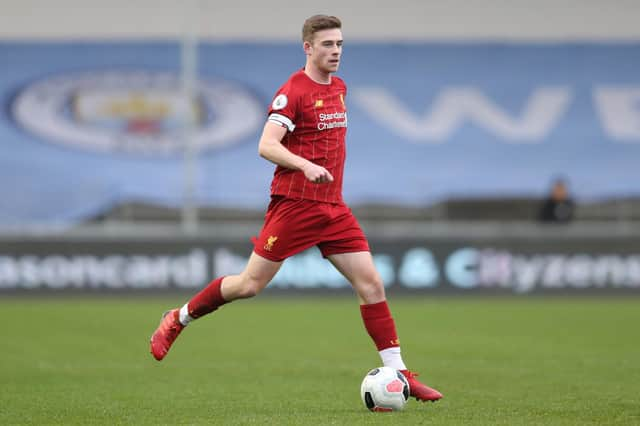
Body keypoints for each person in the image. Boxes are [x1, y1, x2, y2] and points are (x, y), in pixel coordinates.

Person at [150, 14, 443, 403]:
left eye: (339, 44)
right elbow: (266, 144)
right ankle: (178, 318)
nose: (335, 51)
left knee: (371, 283)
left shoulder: (339, 87)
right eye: (327, 44)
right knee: (249, 285)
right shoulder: (293, 91)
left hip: (333, 208)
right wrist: (305, 165)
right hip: (296, 205)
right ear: (308, 47)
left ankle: (401, 373)